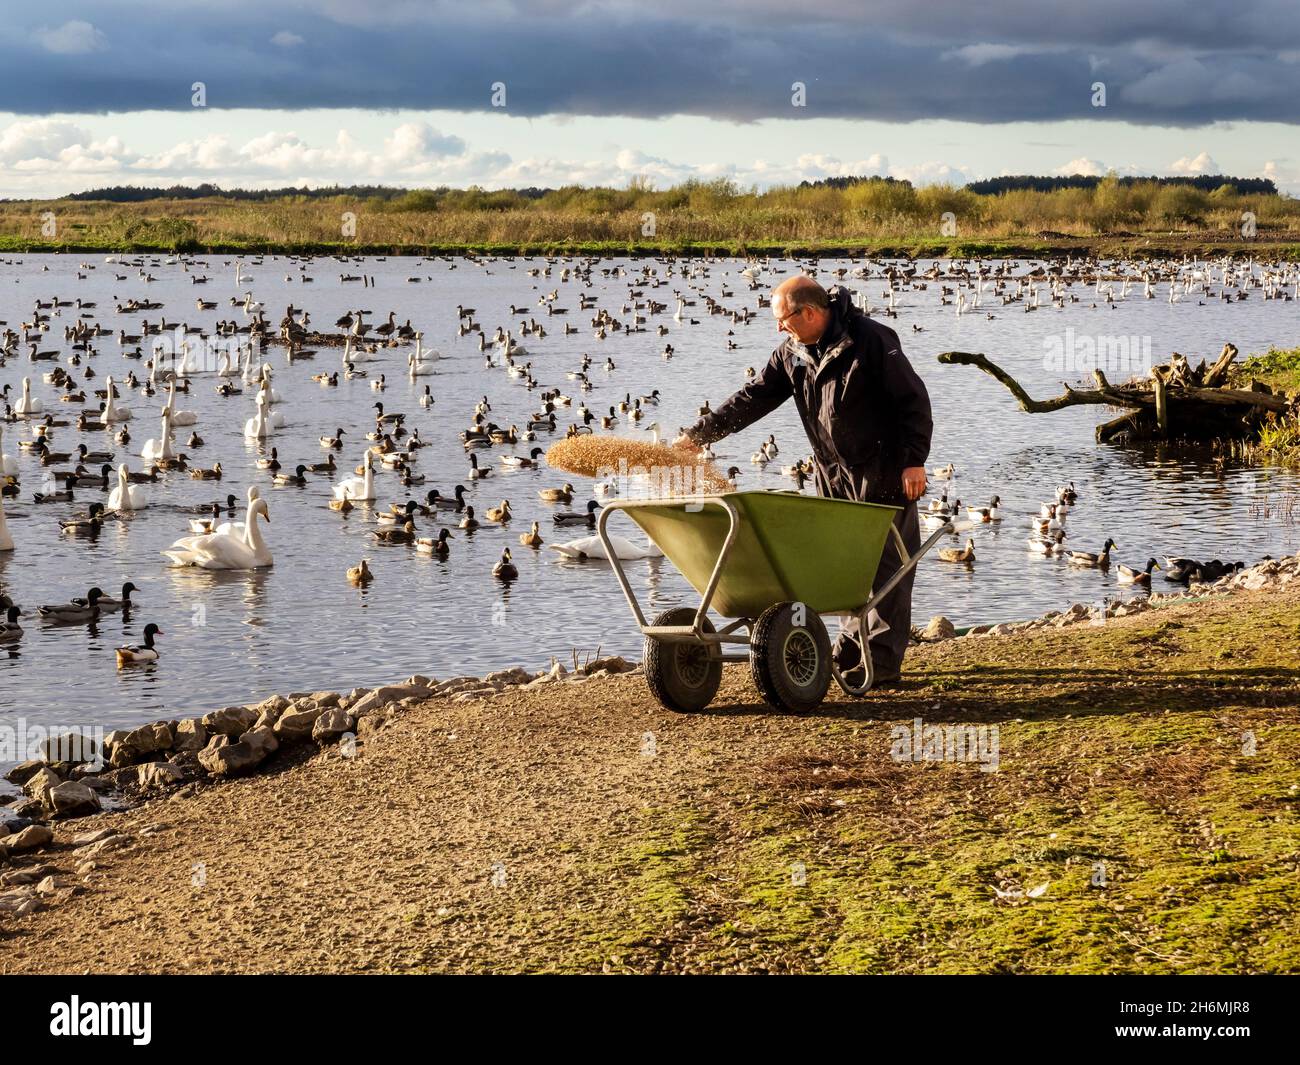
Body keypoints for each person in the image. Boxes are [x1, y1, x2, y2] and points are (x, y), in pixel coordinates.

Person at [673, 275, 933, 688]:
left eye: (783, 319)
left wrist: (914, 461)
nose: (779, 327)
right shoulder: (791, 354)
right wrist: (698, 435)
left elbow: (913, 401)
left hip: (883, 474)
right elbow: (753, 397)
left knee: (889, 570)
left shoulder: (872, 340)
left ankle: (880, 667)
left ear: (809, 312)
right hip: (831, 478)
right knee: (845, 570)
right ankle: (851, 651)